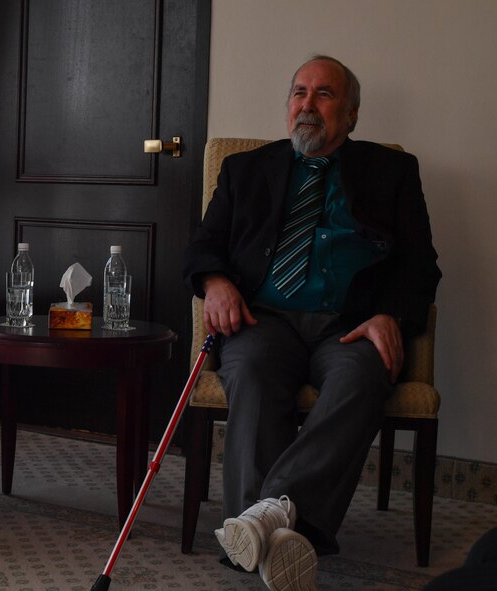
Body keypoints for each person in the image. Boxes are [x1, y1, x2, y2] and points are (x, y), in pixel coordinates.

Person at [183, 55, 441, 590]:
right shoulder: (245, 169)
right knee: (251, 371)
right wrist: (216, 281)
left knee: (363, 375)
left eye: (324, 94)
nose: (307, 104)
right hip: (264, 320)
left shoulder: (392, 171)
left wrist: (389, 314)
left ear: (351, 114)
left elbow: (420, 265)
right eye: (299, 92)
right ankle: (281, 535)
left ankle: (261, 522)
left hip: (351, 324)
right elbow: (204, 247)